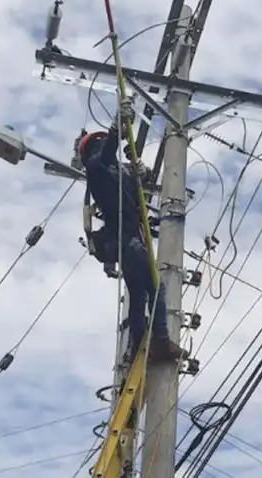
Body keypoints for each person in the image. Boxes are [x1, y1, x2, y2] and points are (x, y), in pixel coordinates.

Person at [77, 99, 187, 364]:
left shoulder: (119, 173)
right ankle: (159, 339)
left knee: (138, 293)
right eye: (100, 142)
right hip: (125, 239)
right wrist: (116, 128)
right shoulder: (97, 169)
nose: (105, 146)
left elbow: (136, 197)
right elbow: (105, 157)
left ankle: (138, 341)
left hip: (132, 239)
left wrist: (142, 176)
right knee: (155, 287)